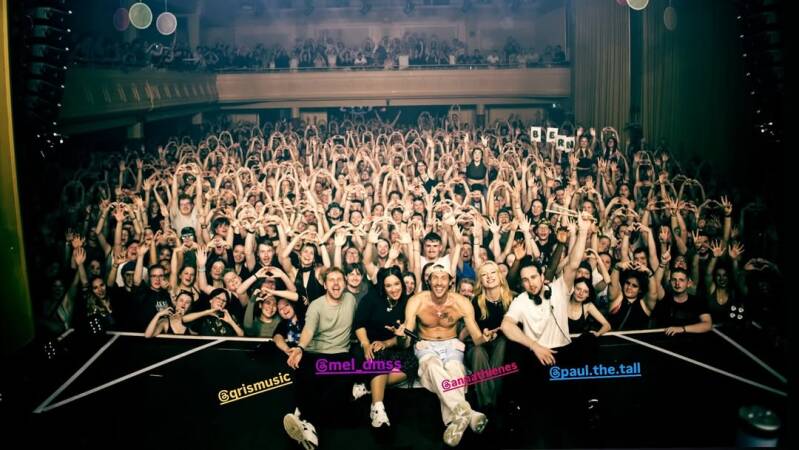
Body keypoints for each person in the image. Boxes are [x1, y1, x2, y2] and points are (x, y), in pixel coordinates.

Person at [391, 264, 492, 447]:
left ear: (451, 281)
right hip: (426, 344)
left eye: (443, 278)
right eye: (434, 278)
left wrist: (484, 338)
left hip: (452, 343)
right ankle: (469, 414)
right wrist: (401, 337)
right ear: (428, 281)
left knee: (455, 370)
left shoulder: (462, 302)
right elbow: (406, 341)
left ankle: (455, 420)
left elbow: (477, 338)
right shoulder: (416, 301)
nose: (439, 282)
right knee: (432, 367)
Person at [282, 268, 357, 450]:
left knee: (339, 388)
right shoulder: (316, 305)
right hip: (316, 352)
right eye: (331, 280)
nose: (336, 283)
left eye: (339, 279)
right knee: (307, 377)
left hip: (340, 353)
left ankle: (303, 417)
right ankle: (308, 424)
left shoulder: (351, 300)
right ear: (324, 285)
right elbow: (309, 329)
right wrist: (300, 348)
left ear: (345, 283)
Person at [351, 267, 417, 428]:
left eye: (397, 284)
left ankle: (369, 385)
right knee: (379, 356)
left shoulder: (408, 302)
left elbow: (405, 339)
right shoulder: (372, 298)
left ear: (402, 283)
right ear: (383, 287)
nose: (394, 289)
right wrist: (366, 344)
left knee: (412, 364)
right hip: (370, 346)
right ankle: (377, 409)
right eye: (388, 285)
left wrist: (395, 339)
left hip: (393, 346)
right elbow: (359, 325)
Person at [462, 261, 514, 411]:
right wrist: (483, 336)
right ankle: (488, 404)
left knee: (503, 342)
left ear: (499, 275)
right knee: (478, 352)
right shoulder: (475, 302)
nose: (489, 277)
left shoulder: (512, 299)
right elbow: (473, 337)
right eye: (484, 275)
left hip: (502, 345)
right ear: (480, 280)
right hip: (478, 345)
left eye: (492, 273)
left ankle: (492, 403)